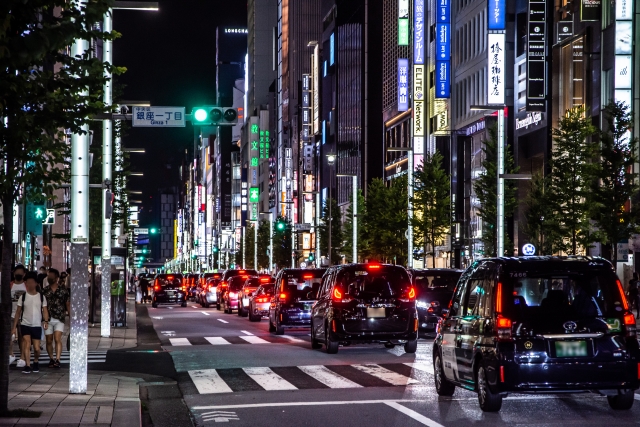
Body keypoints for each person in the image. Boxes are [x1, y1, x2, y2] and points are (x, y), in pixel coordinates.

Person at [12, 271, 49, 373]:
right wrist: (14, 327)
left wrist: (46, 321)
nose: (30, 285)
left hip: (36, 325)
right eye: (28, 282)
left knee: (37, 348)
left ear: (36, 283)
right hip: (25, 324)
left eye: (32, 282)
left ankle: (35, 361)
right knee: (27, 343)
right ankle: (28, 365)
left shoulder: (41, 297)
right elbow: (18, 312)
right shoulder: (23, 297)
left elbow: (45, 310)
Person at [43, 268, 69, 368]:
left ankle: (58, 359)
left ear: (57, 278)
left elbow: (67, 304)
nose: (50, 278)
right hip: (47, 318)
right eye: (49, 276)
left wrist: (70, 317)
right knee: (49, 340)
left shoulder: (63, 291)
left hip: (59, 318)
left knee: (57, 338)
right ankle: (51, 358)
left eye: (52, 276)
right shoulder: (45, 291)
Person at [10, 265, 28, 367]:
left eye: (21, 272)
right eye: (17, 272)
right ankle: (10, 354)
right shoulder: (10, 285)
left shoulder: (26, 286)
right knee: (9, 336)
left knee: (22, 337)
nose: (19, 274)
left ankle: (22, 357)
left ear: (24, 274)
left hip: (24, 315)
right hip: (11, 314)